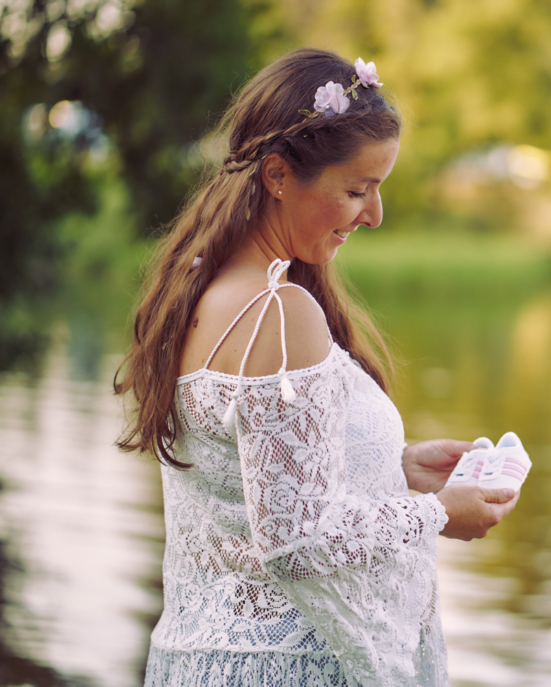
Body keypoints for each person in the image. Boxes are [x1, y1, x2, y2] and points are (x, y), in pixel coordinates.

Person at [115, 48, 520, 686]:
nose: (374, 215)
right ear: (277, 175)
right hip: (285, 669)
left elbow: (246, 485)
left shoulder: (204, 289)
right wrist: (439, 511)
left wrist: (393, 470)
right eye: (357, 190)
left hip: (202, 660)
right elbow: (296, 543)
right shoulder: (279, 312)